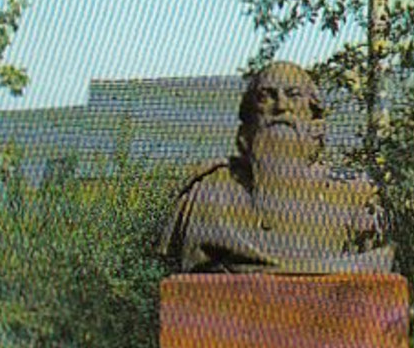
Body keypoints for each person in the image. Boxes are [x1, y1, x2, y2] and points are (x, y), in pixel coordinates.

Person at [161, 61, 393, 274]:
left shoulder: (356, 196)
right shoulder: (208, 194)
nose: (281, 106)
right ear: (247, 127)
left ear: (315, 123)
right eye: (267, 96)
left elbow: (380, 264)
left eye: (293, 95)